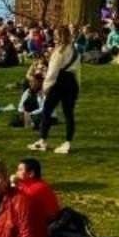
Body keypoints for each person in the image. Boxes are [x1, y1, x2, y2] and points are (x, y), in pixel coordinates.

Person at [32, 25, 81, 154]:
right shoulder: (75, 51)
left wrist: (46, 86)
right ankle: (68, 142)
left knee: (47, 111)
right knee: (68, 114)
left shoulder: (59, 51)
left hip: (59, 81)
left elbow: (53, 71)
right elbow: (77, 71)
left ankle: (42, 140)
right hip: (71, 82)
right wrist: (78, 86)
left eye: (55, 35)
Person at [14, 157, 61, 225]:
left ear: (31, 174)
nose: (17, 172)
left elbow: (17, 206)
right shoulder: (30, 183)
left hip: (47, 224)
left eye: (20, 170)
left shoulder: (35, 189)